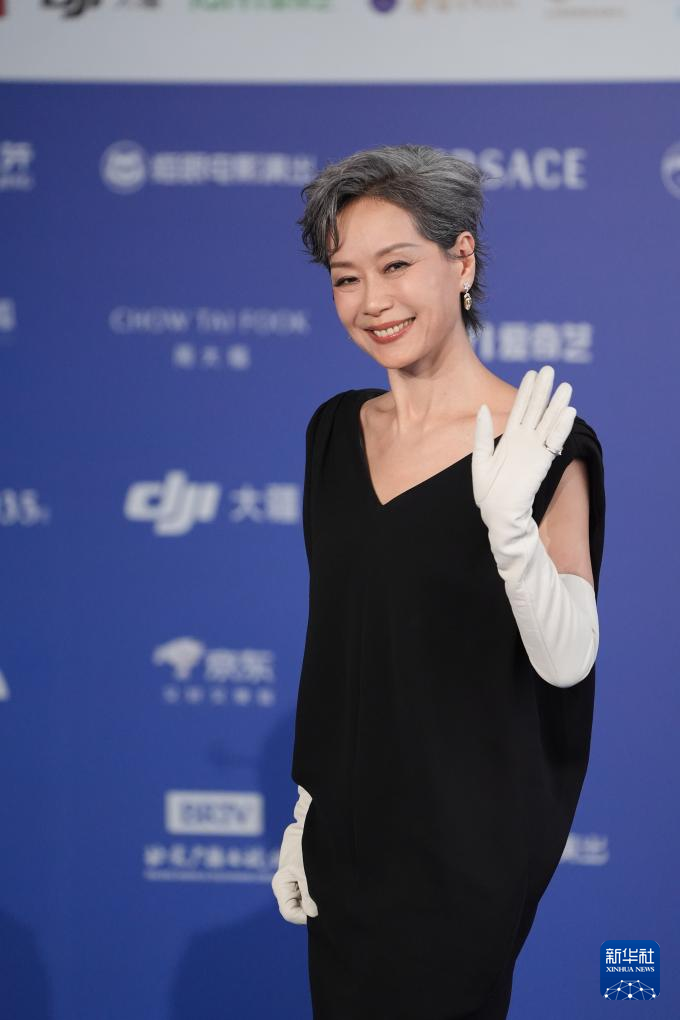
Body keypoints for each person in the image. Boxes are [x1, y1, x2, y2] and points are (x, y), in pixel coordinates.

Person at [271, 143, 606, 1020]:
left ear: (461, 261)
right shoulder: (334, 432)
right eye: (346, 278)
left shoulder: (541, 443)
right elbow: (341, 640)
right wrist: (307, 809)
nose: (372, 301)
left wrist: (511, 530)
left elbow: (568, 658)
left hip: (465, 854)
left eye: (396, 266)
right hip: (346, 845)